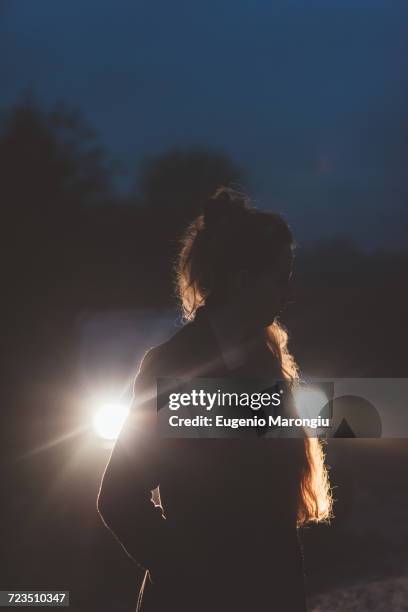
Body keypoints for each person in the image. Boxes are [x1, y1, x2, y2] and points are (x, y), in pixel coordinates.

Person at [97, 186, 332, 611]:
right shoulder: (176, 365)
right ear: (243, 280)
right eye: (280, 278)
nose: (288, 292)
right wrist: (192, 576)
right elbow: (118, 496)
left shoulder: (266, 361)